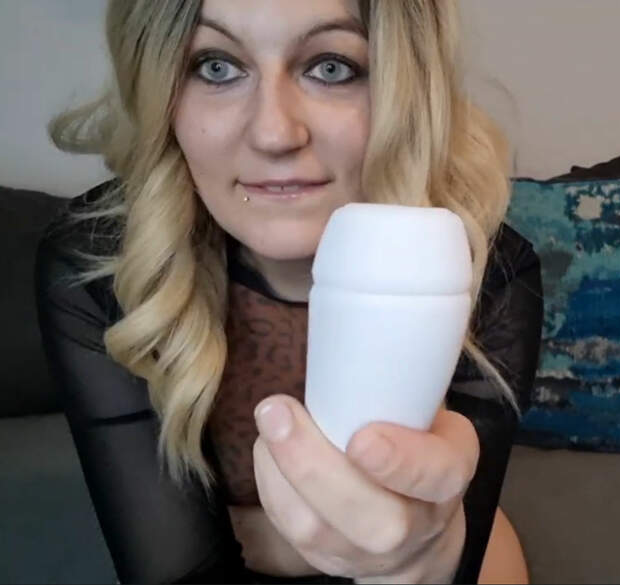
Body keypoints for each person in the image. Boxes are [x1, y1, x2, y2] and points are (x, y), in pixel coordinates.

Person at [35, 0, 543, 583]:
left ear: (406, 89)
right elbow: (176, 569)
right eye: (216, 67)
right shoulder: (101, 265)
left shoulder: (487, 269)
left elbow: (463, 541)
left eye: (331, 67)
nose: (274, 133)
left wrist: (430, 557)